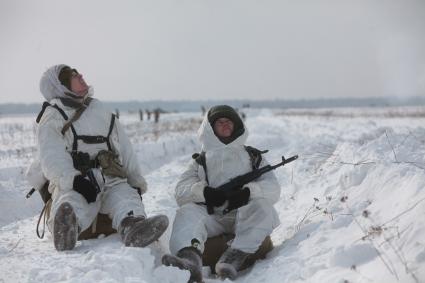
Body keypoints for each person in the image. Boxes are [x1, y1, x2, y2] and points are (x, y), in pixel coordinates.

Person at [27, 64, 168, 251]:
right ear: (60, 85)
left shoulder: (99, 109)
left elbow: (124, 147)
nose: (81, 75)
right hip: (77, 179)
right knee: (71, 200)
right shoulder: (53, 115)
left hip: (111, 176)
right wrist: (74, 181)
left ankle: (133, 227)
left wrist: (135, 182)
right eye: (74, 75)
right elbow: (51, 155)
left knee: (125, 196)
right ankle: (66, 229)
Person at [162, 105, 281, 282]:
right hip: (212, 217)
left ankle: (234, 257)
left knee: (264, 209)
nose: (225, 125)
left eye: (229, 121)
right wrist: (204, 193)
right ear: (210, 128)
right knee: (186, 213)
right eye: (219, 122)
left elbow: (274, 189)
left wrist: (248, 193)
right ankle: (189, 261)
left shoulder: (253, 156)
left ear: (236, 125)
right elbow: (180, 192)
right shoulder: (200, 161)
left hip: (244, 216)